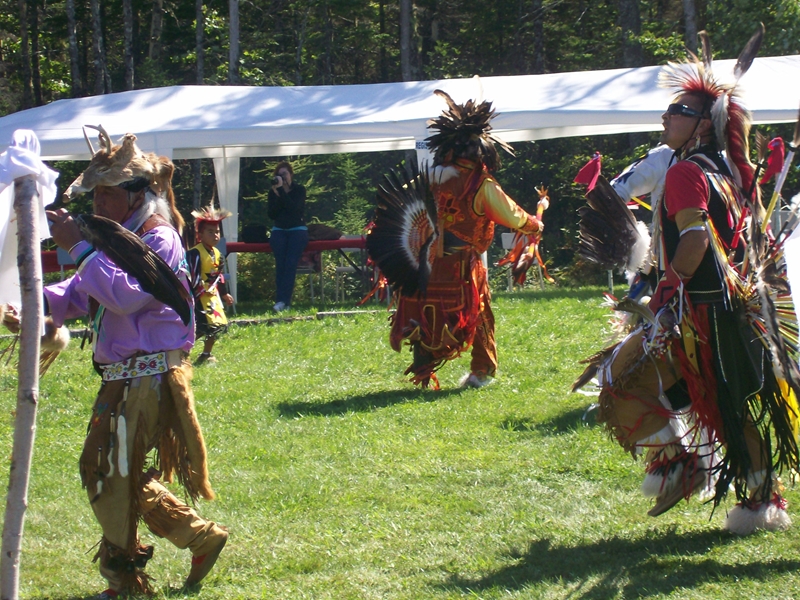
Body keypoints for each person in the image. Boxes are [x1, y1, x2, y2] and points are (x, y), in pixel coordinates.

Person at [575, 31, 800, 534]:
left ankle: (680, 466)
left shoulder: (684, 174)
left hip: (698, 312)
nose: (665, 117)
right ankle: (757, 500)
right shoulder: (728, 171)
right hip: (730, 309)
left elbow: (695, 241)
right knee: (726, 400)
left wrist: (668, 288)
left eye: (675, 110)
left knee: (620, 380)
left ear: (702, 123)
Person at [43, 128, 227, 598]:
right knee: (104, 468)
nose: (98, 204)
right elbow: (84, 293)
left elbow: (124, 296)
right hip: (123, 378)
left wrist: (78, 247)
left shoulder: (159, 237)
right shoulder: (118, 240)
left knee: (111, 469)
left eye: (107, 194)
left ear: (135, 194)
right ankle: (188, 541)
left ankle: (128, 577)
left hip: (149, 376)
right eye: (96, 194)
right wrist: (32, 304)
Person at [382, 90, 543, 389]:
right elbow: (514, 216)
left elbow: (397, 201)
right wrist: (535, 224)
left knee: (424, 312)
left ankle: (423, 369)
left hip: (423, 264)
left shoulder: (429, 177)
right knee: (478, 312)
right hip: (460, 266)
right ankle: (481, 372)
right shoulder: (480, 185)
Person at [188, 204, 235, 365]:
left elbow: (219, 277)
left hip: (212, 298)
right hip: (196, 296)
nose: (215, 235)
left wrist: (224, 293)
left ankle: (206, 354)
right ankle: (182, 352)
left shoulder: (218, 254)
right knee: (198, 327)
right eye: (210, 232)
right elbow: (189, 276)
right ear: (200, 234)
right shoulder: (194, 253)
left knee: (215, 326)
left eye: (217, 232)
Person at [267, 161, 307, 312]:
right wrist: (277, 195)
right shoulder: (273, 193)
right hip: (279, 230)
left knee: (290, 263)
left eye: (285, 174)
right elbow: (272, 214)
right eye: (279, 175)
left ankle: (285, 301)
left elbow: (295, 210)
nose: (282, 177)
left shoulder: (299, 190)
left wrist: (283, 193)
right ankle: (281, 301)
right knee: (281, 265)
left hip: (297, 230)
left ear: (291, 175)